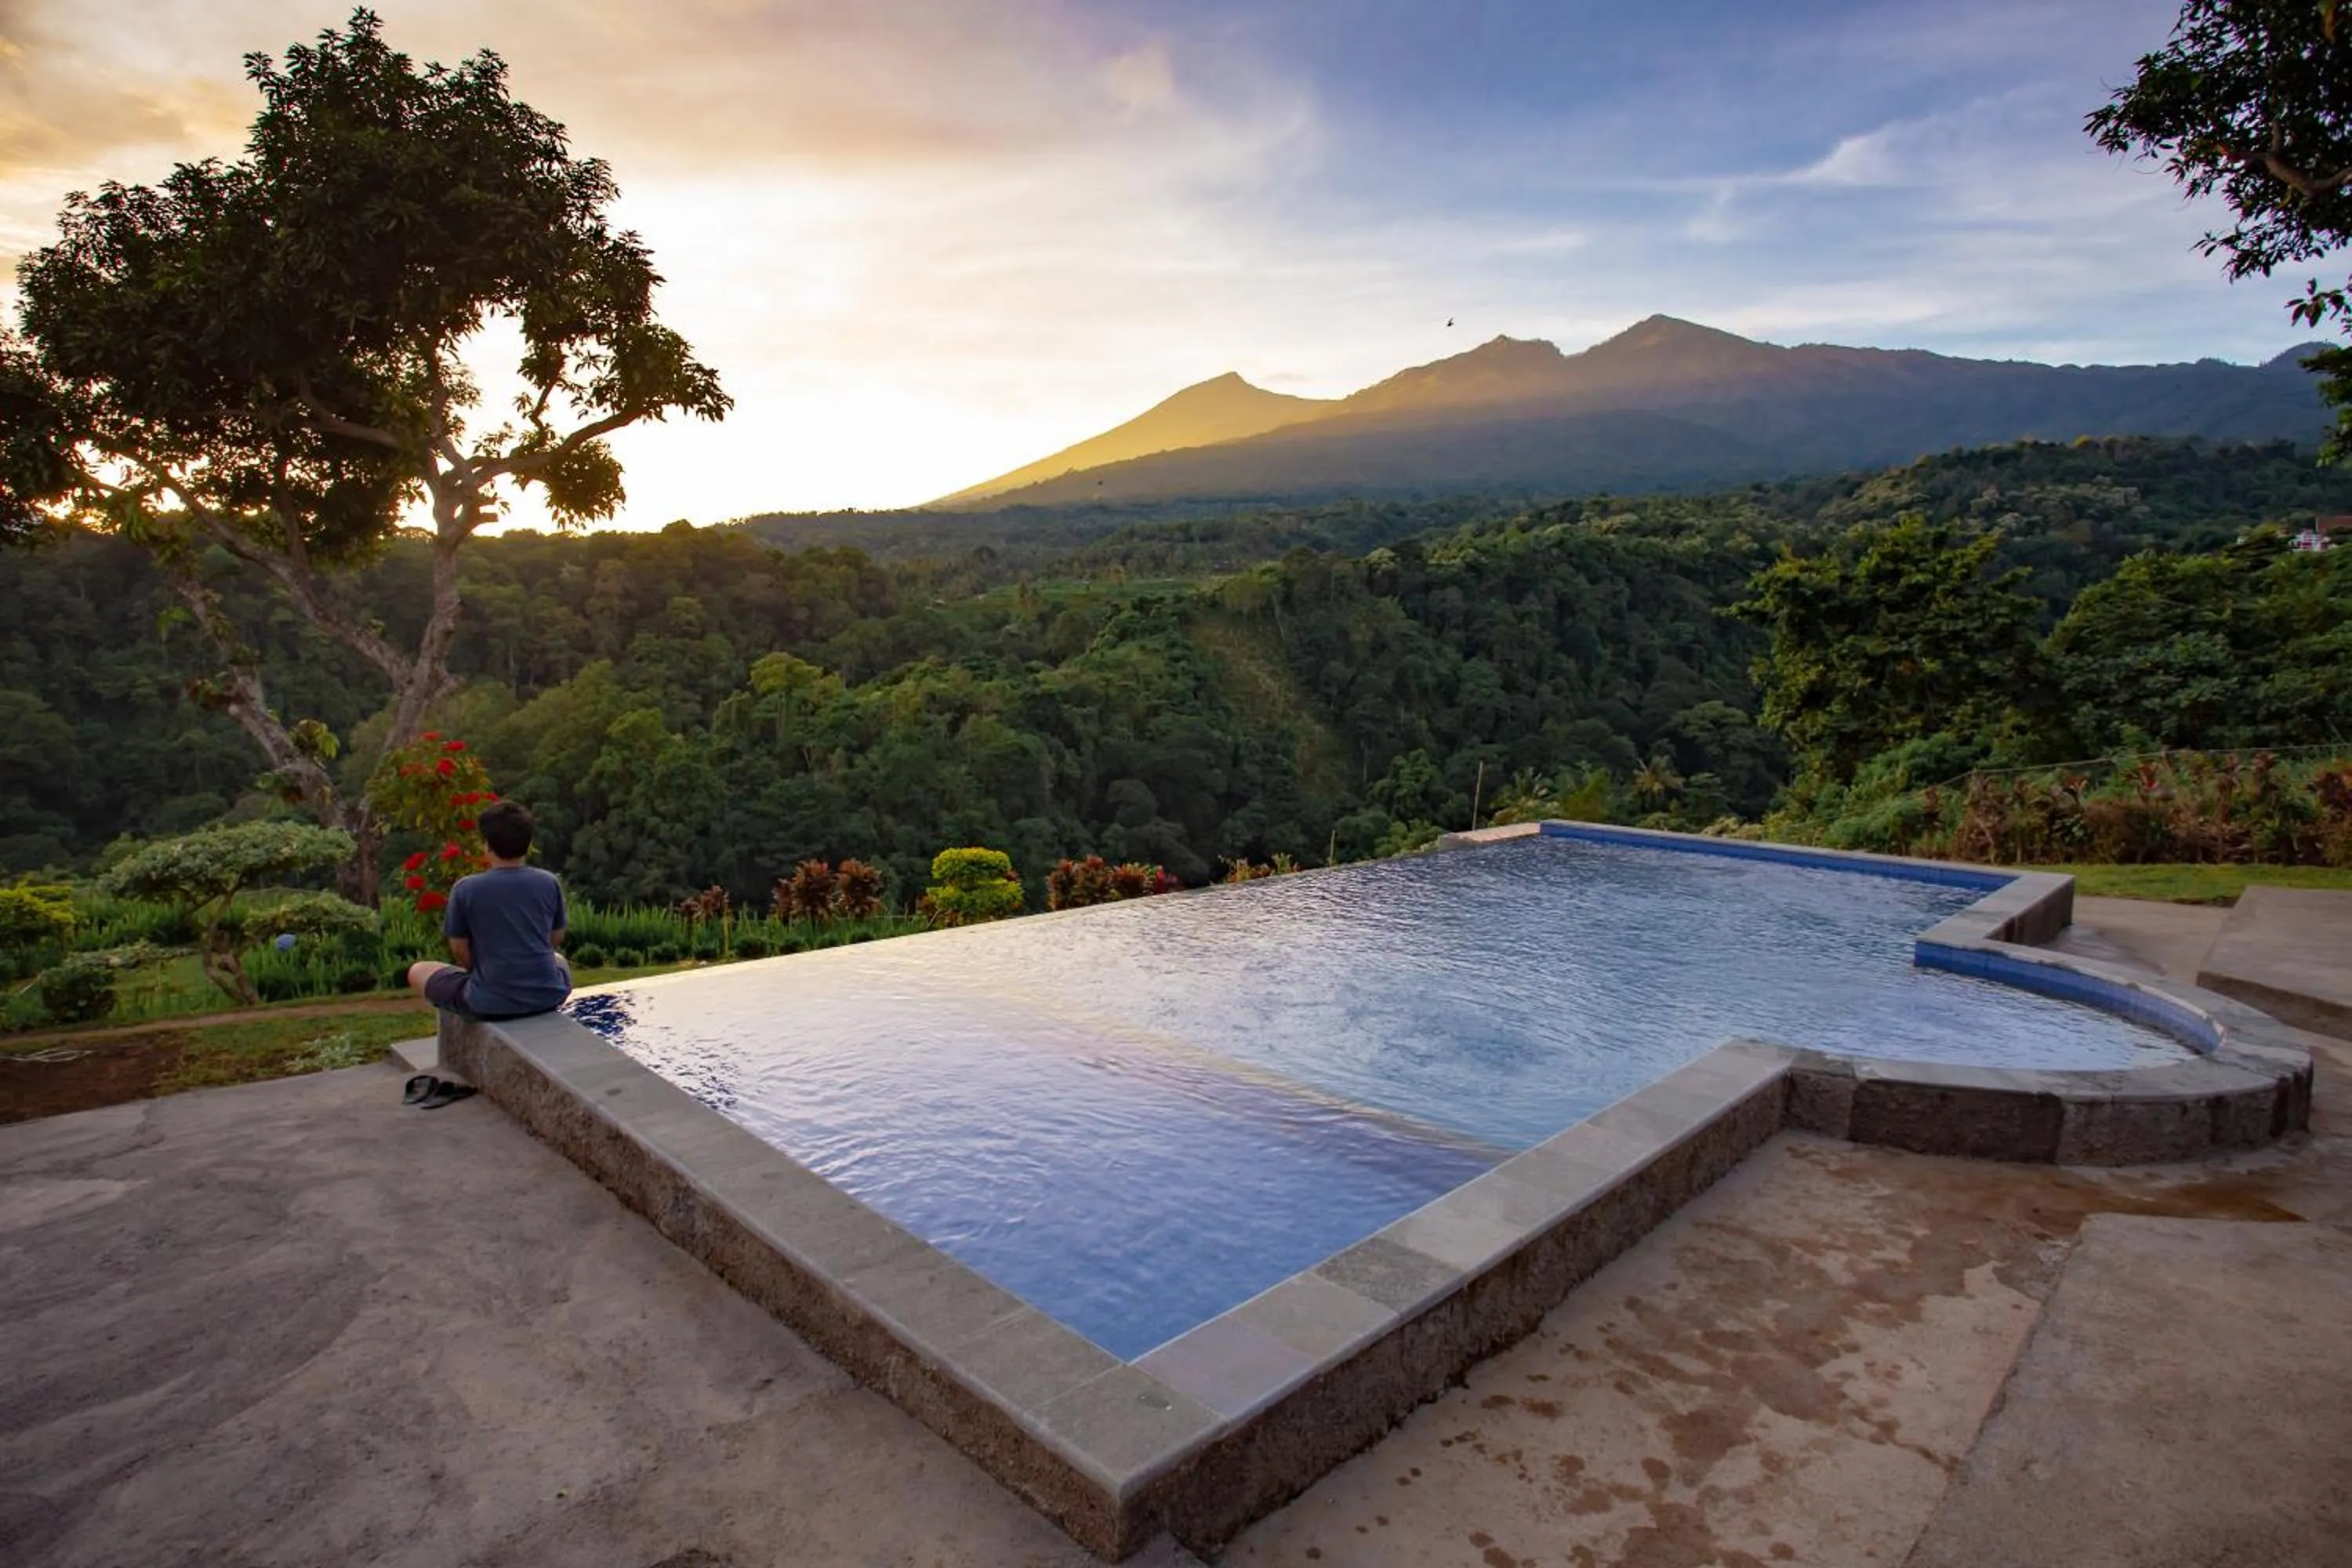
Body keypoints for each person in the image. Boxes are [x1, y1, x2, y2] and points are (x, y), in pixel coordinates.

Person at [406, 800, 572, 1022]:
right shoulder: (548, 882)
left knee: (418, 971)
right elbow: (555, 938)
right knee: (559, 959)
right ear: (528, 842)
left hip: (489, 1002)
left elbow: (459, 950)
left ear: (487, 845)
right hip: (548, 996)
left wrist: (485, 973)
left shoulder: (466, 888)